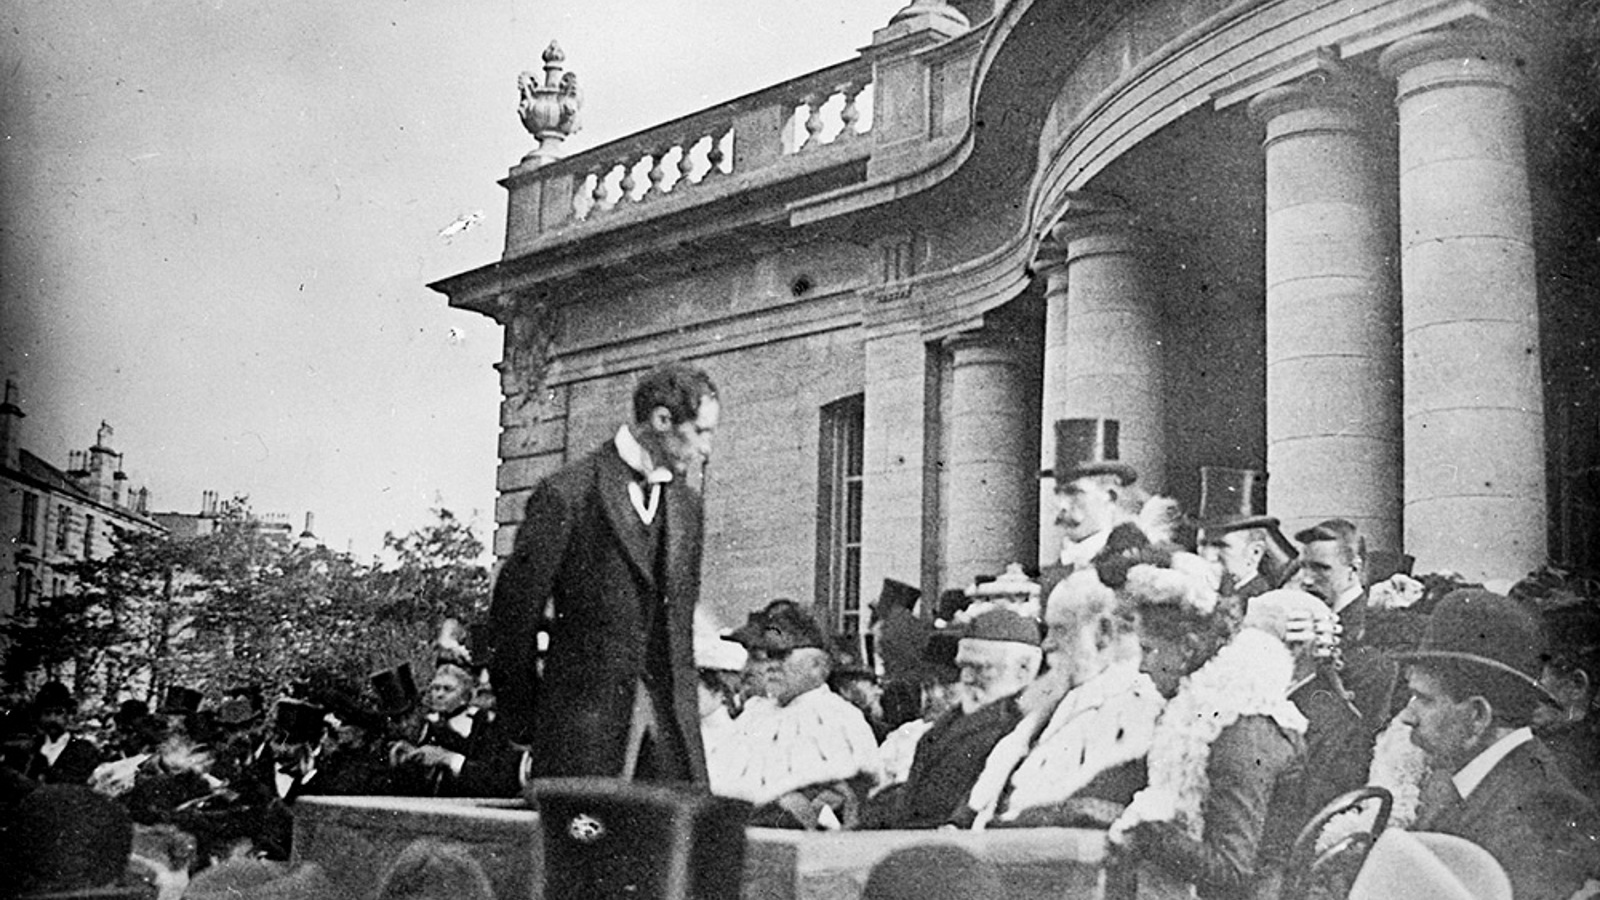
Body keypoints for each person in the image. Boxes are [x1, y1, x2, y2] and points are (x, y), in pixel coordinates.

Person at [487, 362, 720, 784]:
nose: (706, 448)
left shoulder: (688, 507)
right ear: (662, 420)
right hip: (582, 738)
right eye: (701, 432)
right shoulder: (568, 494)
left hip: (671, 739)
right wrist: (526, 721)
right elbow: (511, 620)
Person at [1108, 552, 1308, 900]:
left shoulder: (1240, 727)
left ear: (1188, 648)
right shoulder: (1195, 710)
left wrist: (1144, 833)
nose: (1141, 668)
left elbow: (1230, 873)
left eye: (1149, 650)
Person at [1397, 589, 1600, 900]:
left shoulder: (1537, 817)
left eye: (1424, 699)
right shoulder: (1486, 779)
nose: (1407, 716)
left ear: (1478, 716)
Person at [959, 567, 1163, 829]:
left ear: (1103, 633)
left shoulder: (1135, 707)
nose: (1047, 644)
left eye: (1060, 629)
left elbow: (1093, 801)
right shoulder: (1053, 702)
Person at [868, 607, 1042, 829]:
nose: (966, 677)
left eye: (980, 668)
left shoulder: (1028, 728)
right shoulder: (951, 721)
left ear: (1024, 669)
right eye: (963, 666)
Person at [711, 602, 881, 829]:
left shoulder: (837, 719)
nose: (770, 666)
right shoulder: (755, 713)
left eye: (780, 654)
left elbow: (817, 808)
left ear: (817, 665)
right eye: (763, 656)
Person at [1244, 588, 1368, 817]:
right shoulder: (1261, 700)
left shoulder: (1336, 727)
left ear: (1296, 648)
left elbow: (1298, 817)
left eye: (1253, 640)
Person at [1295, 518, 1399, 735]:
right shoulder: (1310, 617)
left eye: (1320, 568)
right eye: (1303, 567)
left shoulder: (1377, 629)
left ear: (1354, 569)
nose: (1306, 579)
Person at [390, 663, 518, 798]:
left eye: (448, 689)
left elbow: (494, 778)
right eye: (435, 688)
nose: (439, 694)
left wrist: (447, 758)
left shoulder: (484, 724)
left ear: (465, 696)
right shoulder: (426, 725)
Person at [22, 680, 102, 786]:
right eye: (47, 713)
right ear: (39, 716)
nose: (53, 719)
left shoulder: (85, 751)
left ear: (69, 715)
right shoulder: (30, 750)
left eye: (59, 712)